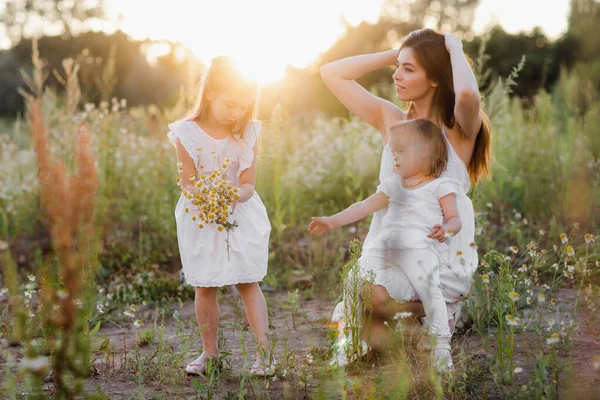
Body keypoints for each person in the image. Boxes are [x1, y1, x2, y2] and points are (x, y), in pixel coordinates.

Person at [320, 28, 491, 366]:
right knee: (367, 296)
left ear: (435, 79)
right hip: (392, 244)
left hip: (439, 250)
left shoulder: (458, 130)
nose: (396, 76)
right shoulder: (392, 120)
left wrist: (452, 46)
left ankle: (435, 310)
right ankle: (410, 318)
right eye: (397, 67)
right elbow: (331, 73)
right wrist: (394, 54)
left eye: (408, 69)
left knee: (377, 328)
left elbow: (469, 95)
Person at [310, 119, 460, 371]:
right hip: (386, 246)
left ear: (425, 151)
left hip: (420, 248)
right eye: (393, 153)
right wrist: (331, 221)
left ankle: (441, 346)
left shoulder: (440, 185)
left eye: (401, 152)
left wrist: (446, 229)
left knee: (429, 289)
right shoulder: (392, 184)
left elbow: (455, 218)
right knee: (354, 276)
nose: (395, 158)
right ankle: (352, 340)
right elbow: (362, 206)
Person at [166, 56, 274, 376]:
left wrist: (228, 198)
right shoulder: (186, 133)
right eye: (231, 104)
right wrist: (208, 202)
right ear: (210, 93)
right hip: (201, 213)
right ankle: (209, 353)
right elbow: (187, 181)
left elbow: (248, 185)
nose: (237, 113)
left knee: (247, 282)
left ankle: (265, 355)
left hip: (239, 212)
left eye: (244, 106)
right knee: (205, 285)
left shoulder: (247, 133)